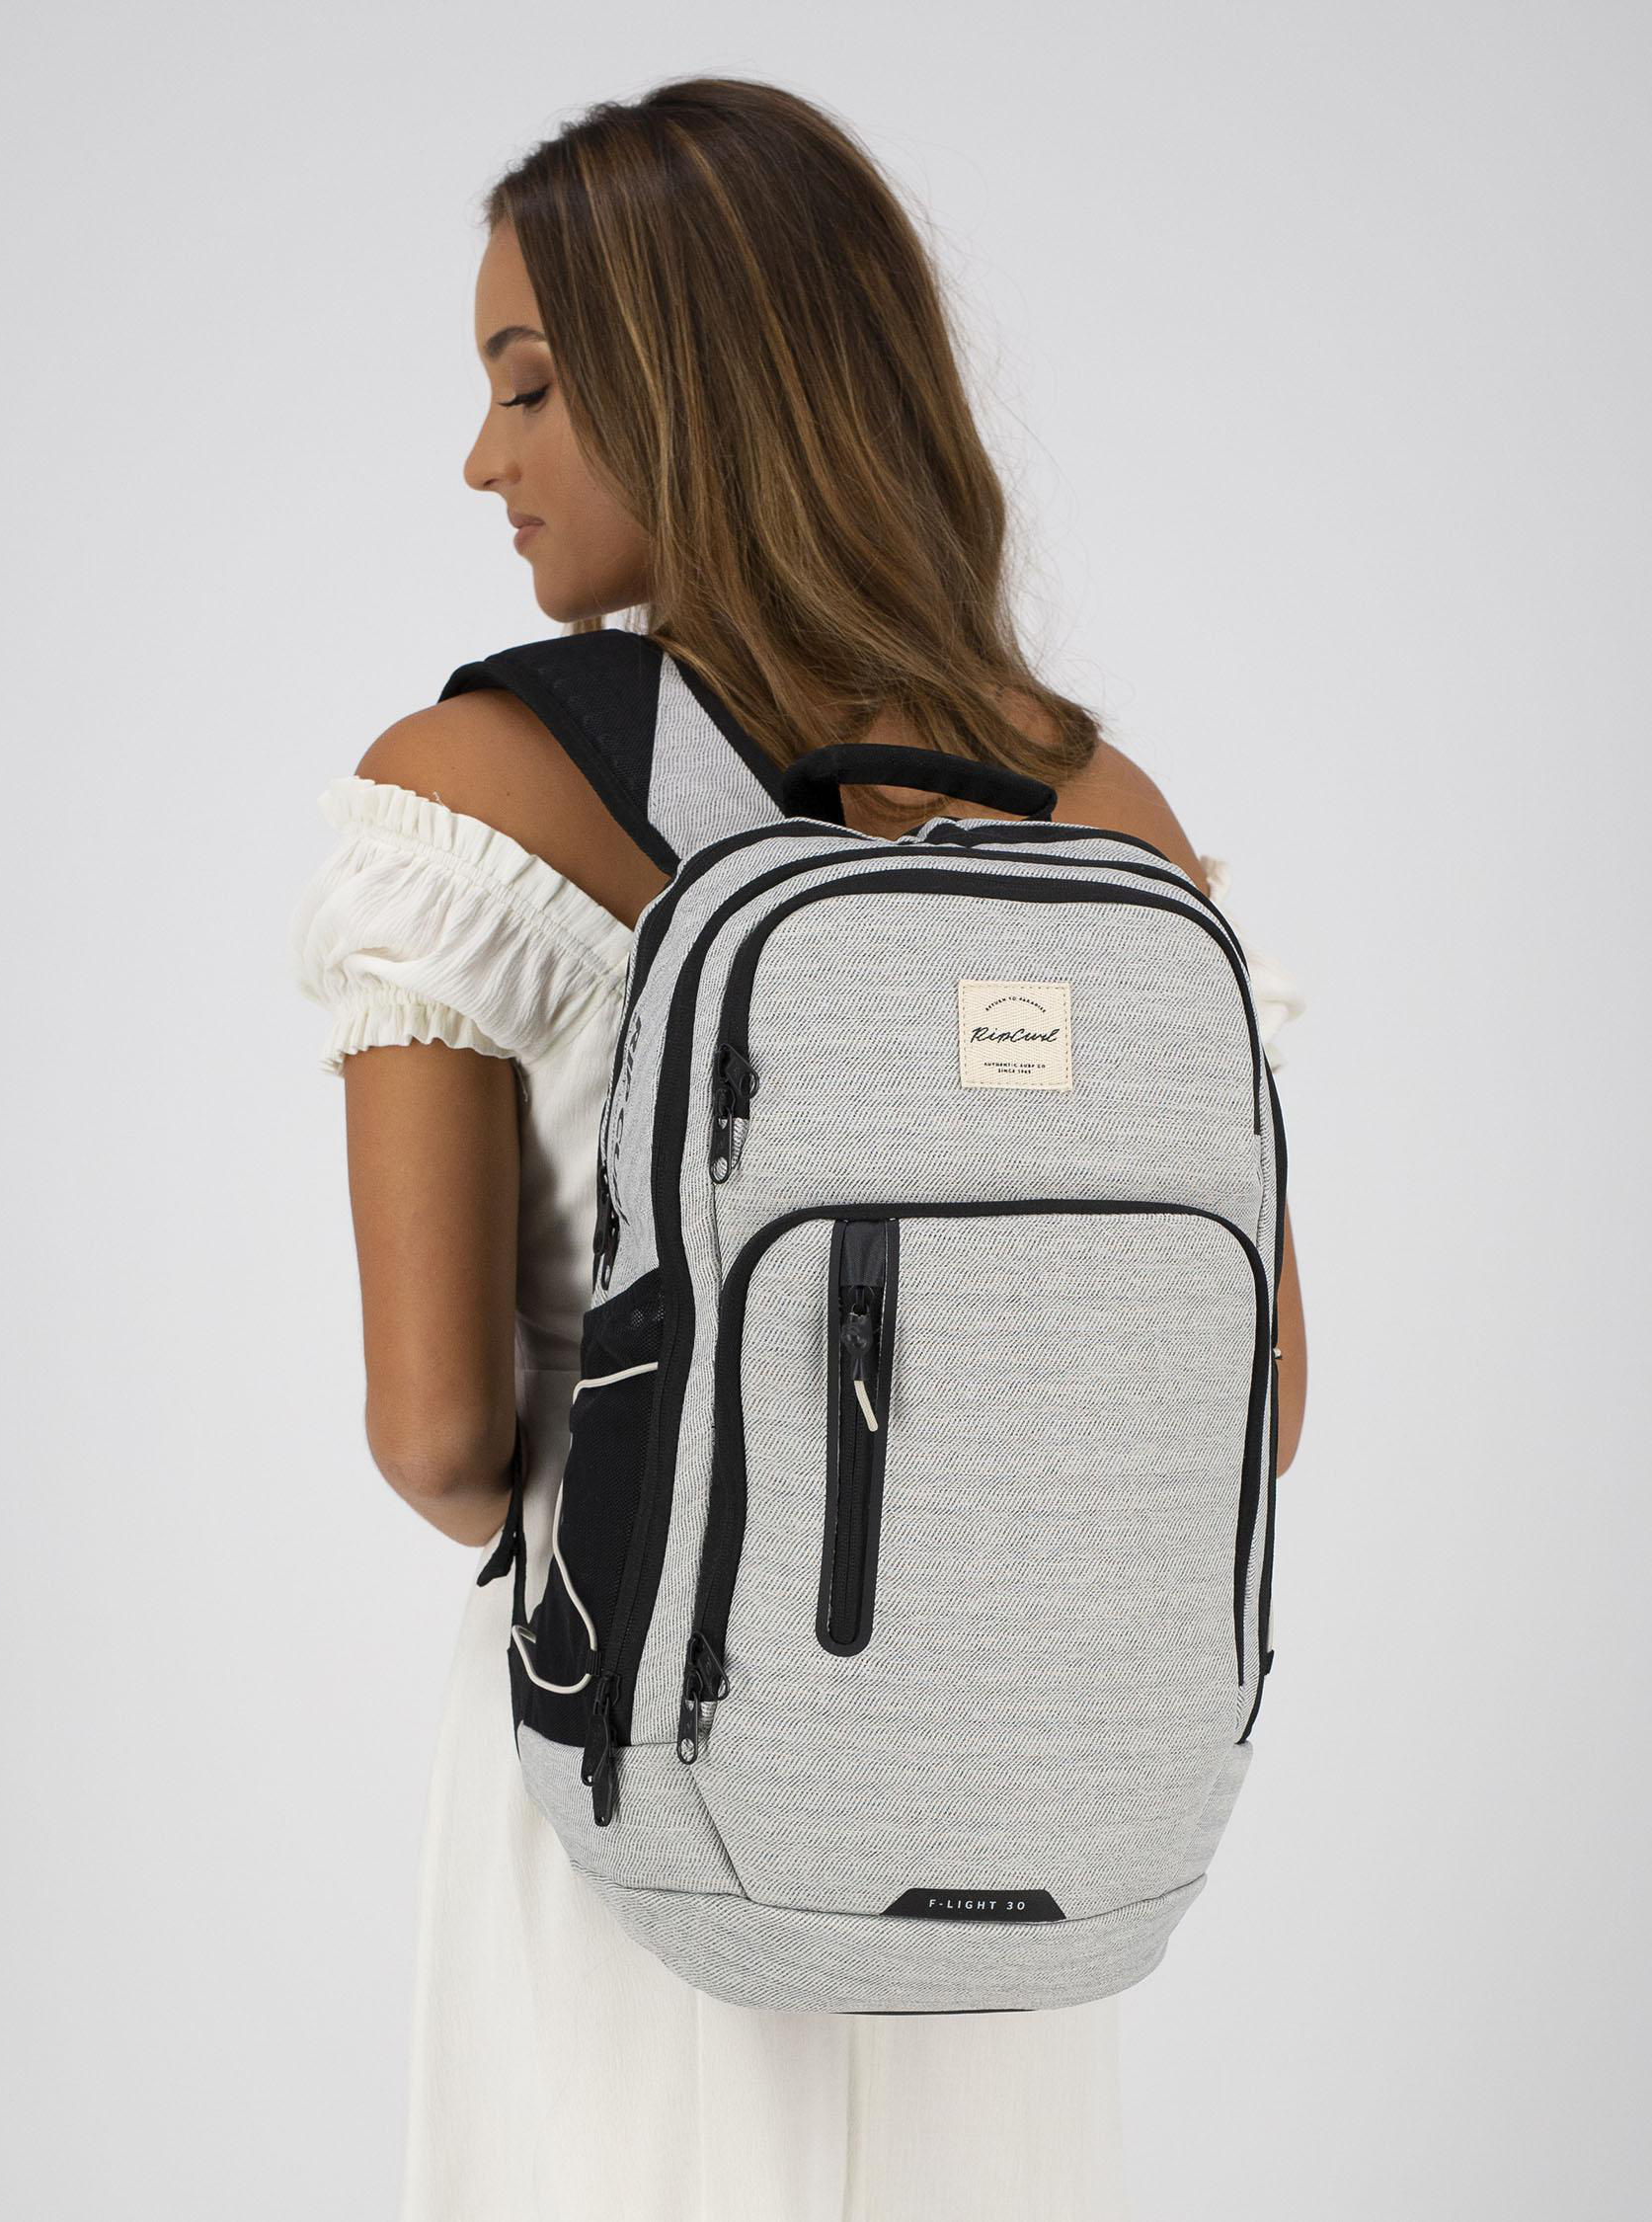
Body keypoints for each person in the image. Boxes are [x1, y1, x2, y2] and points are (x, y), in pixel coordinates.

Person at [289, 74, 1307, 2222]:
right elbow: (1267, 1403)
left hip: (644, 1799)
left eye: (530, 385)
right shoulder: (1101, 807)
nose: (484, 458)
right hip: (1024, 1845)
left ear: (698, 380)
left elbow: (442, 1434)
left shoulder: (469, 785)